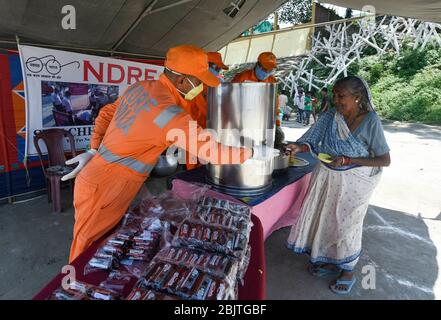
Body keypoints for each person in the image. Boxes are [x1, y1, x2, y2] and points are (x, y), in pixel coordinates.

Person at [61, 45, 279, 262]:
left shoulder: (141, 87)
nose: (202, 86)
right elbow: (212, 152)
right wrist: (252, 152)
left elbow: (106, 113)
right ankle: (70, 290)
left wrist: (94, 149)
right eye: (200, 81)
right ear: (182, 80)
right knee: (84, 251)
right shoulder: (170, 114)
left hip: (102, 178)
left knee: (100, 247)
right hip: (108, 187)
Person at [286, 76, 391, 295]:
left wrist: (348, 160)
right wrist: (298, 147)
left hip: (357, 182)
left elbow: (384, 159)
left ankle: (348, 271)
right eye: (334, 95)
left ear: (357, 97)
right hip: (328, 178)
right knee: (327, 221)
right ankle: (332, 261)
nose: (336, 100)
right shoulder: (330, 117)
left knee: (347, 225)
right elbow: (312, 142)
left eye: (341, 96)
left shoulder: (370, 120)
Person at [185, 51, 229, 170]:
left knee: (205, 165)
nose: (218, 72)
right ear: (206, 65)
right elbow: (207, 110)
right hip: (194, 131)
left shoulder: (211, 84)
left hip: (206, 130)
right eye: (216, 68)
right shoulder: (195, 83)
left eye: (220, 69)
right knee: (194, 167)